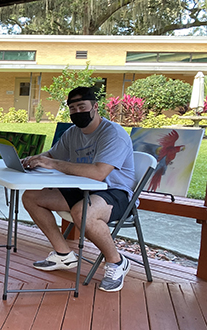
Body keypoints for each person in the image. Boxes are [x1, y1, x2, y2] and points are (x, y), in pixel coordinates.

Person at [20, 86, 136, 292]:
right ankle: (64, 255)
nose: (77, 112)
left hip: (114, 191)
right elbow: (53, 155)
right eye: (72, 109)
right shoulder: (72, 133)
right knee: (32, 197)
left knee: (82, 212)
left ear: (95, 107)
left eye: (81, 106)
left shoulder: (113, 134)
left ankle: (116, 262)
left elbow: (100, 173)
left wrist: (53, 164)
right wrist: (36, 159)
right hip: (83, 188)